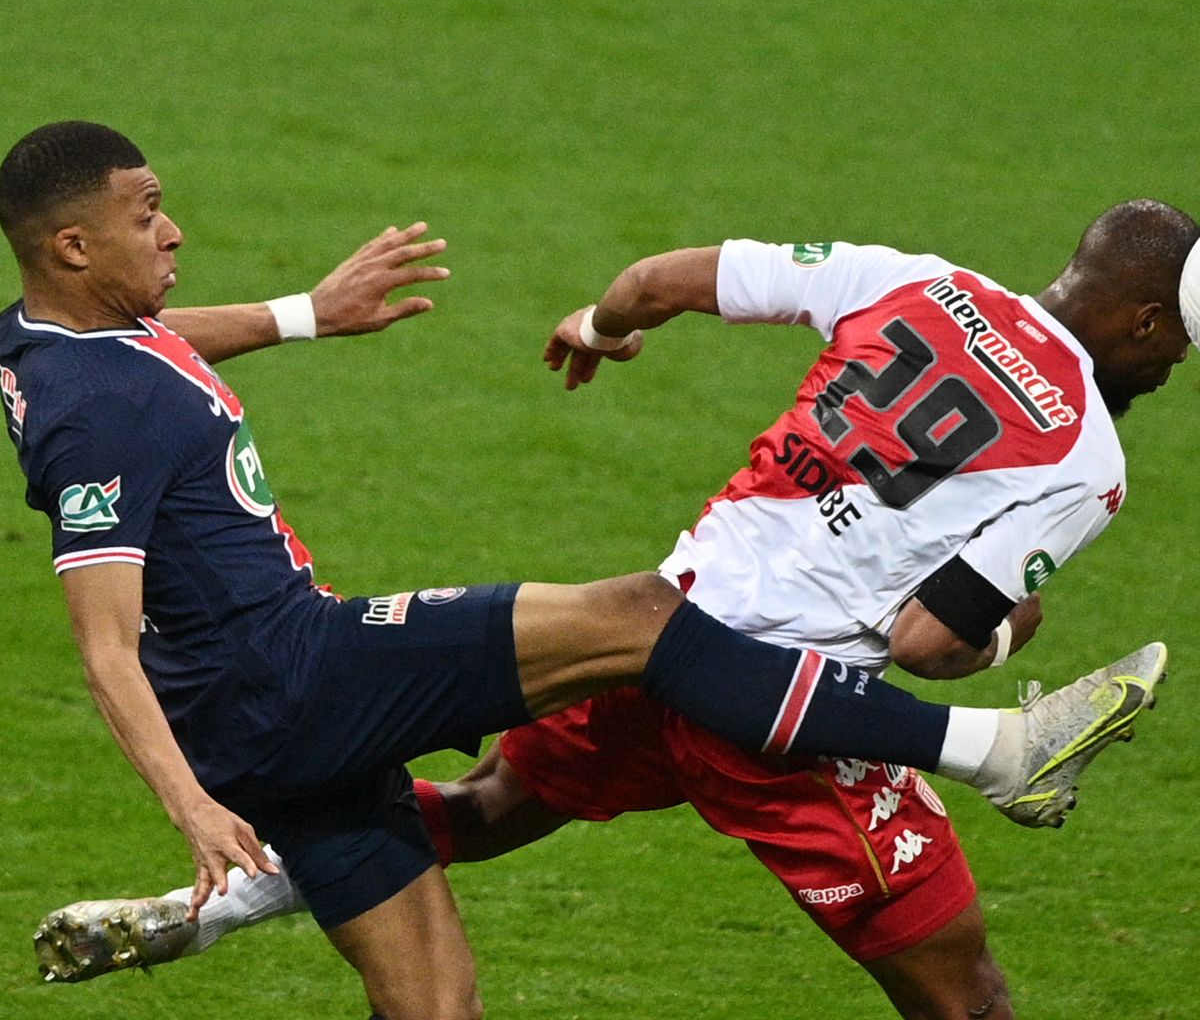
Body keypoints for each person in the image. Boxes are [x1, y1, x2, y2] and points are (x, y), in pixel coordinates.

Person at [26, 188, 1192, 1016]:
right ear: (1143, 323)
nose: (1174, 368)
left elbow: (653, 283)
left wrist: (601, 325)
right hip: (786, 720)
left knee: (485, 811)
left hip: (650, 641)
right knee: (968, 997)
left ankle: (238, 894)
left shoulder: (917, 280)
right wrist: (1003, 639)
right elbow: (930, 637)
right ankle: (1002, 752)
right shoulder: (1088, 456)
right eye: (1180, 347)